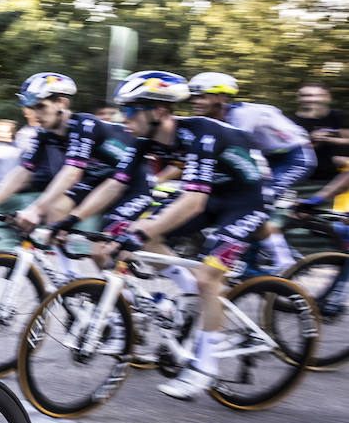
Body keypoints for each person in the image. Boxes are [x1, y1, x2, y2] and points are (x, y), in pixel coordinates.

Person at [102, 70, 268, 400]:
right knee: (141, 235)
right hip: (214, 197)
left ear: (159, 111)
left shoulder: (202, 134)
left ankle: (204, 368)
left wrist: (141, 229)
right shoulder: (145, 140)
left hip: (248, 199)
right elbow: (115, 184)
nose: (125, 118)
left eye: (131, 110)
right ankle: (188, 289)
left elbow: (193, 202)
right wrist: (81, 220)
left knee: (208, 277)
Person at [0, 72, 137, 234]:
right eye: (31, 108)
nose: (35, 115)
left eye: (41, 106)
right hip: (102, 177)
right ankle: (60, 260)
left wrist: (35, 209)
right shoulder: (45, 133)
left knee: (106, 251)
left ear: (61, 103)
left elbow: (72, 173)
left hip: (134, 179)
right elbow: (24, 171)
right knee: (55, 210)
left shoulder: (85, 125)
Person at [188, 71, 311, 269]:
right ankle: (250, 257)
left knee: (258, 202)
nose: (195, 101)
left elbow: (241, 158)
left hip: (293, 157)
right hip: (268, 156)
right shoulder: (215, 121)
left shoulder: (241, 117)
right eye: (193, 97)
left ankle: (285, 262)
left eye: (201, 96)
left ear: (221, 97)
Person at [289, 83, 349, 186]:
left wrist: (328, 139)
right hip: (305, 179)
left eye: (318, 95)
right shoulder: (289, 122)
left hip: (341, 176)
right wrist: (310, 138)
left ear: (328, 97)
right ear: (298, 98)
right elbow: (285, 150)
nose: (312, 99)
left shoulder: (339, 116)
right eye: (306, 96)